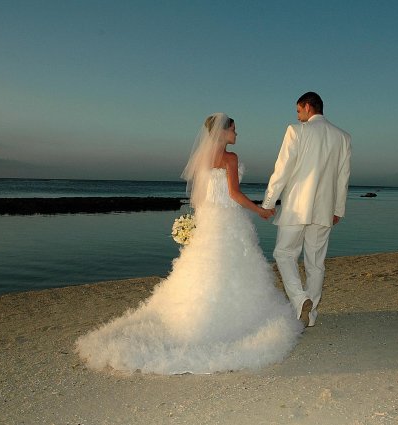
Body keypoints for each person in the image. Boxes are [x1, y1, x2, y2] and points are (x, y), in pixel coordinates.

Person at [75, 113, 303, 374]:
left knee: (206, 268)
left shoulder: (203, 159)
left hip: (209, 219)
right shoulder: (230, 158)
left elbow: (200, 198)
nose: (236, 134)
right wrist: (259, 209)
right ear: (222, 132)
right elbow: (234, 193)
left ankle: (193, 318)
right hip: (228, 219)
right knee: (231, 267)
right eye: (233, 129)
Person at [262, 92, 351, 328]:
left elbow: (282, 170)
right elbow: (343, 178)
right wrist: (338, 209)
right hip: (324, 210)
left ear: (308, 107)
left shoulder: (296, 131)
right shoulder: (343, 137)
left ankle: (301, 300)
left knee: (284, 254)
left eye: (299, 110)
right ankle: (310, 317)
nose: (298, 116)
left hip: (296, 207)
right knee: (316, 263)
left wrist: (268, 202)